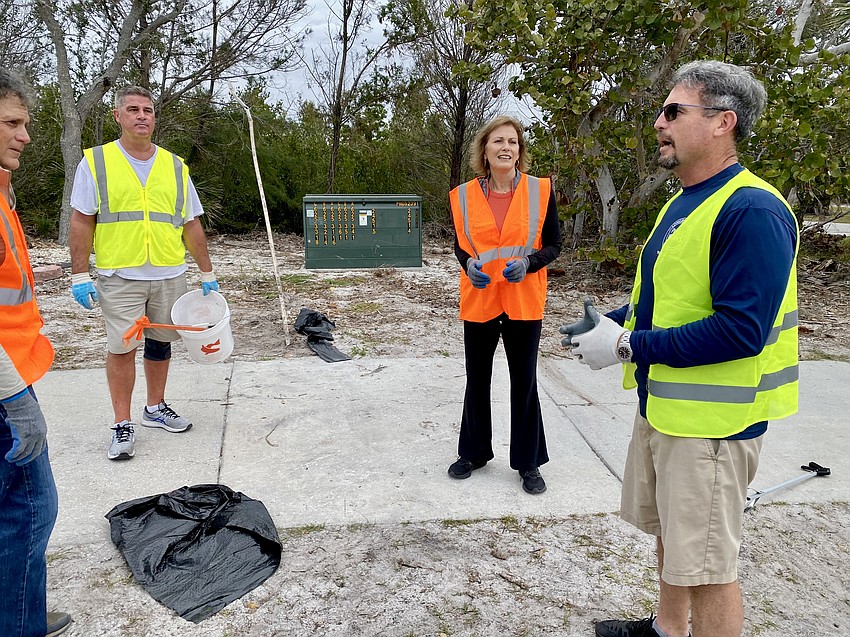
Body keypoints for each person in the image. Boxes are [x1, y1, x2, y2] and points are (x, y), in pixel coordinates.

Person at [560, 61, 799, 637]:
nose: (659, 124)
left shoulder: (753, 211)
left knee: (711, 566)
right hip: (668, 412)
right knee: (676, 536)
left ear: (723, 122)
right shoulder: (684, 201)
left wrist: (625, 346)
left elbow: (740, 330)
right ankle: (666, 629)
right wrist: (609, 324)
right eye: (661, 112)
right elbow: (665, 302)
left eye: (673, 111)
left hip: (713, 427)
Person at [69, 85, 219, 461]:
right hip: (121, 274)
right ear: (117, 116)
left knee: (161, 342)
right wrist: (79, 274)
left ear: (154, 117)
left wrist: (206, 272)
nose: (141, 116)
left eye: (148, 110)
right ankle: (122, 423)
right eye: (132, 109)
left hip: (169, 271)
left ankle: (155, 408)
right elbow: (82, 221)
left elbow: (191, 223)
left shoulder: (173, 165)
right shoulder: (96, 162)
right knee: (122, 348)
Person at [448, 115, 562, 495]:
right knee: (477, 380)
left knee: (524, 382)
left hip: (523, 299)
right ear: (484, 149)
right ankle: (474, 453)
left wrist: (529, 263)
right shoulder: (463, 195)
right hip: (480, 297)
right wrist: (468, 264)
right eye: (498, 141)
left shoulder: (540, 190)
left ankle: (529, 463)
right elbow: (461, 246)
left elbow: (554, 245)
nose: (506, 147)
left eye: (513, 141)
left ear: (520, 151)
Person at [0, 67, 72, 637]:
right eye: (11, 123)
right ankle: (19, 623)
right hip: (5, 389)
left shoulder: (2, 194)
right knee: (29, 511)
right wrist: (17, 399)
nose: (24, 135)